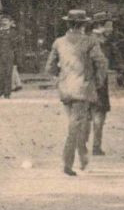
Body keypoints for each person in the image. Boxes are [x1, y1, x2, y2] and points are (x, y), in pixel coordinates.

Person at [44, 9, 108, 176]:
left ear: (68, 24)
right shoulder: (90, 41)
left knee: (76, 122)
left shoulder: (58, 42)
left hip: (66, 89)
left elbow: (49, 67)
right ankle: (67, 161)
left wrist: (59, 80)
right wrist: (99, 81)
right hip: (83, 87)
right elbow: (101, 63)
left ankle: (84, 158)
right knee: (75, 125)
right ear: (83, 24)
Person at [89, 16, 113, 156]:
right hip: (98, 82)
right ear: (100, 25)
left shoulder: (86, 39)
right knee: (99, 114)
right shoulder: (98, 43)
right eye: (109, 25)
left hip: (85, 82)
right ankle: (96, 145)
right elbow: (103, 64)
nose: (111, 29)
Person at [0, 14, 18, 98]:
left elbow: (16, 45)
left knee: (8, 74)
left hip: (9, 55)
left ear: (10, 22)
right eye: (3, 21)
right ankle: (1, 90)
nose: (4, 22)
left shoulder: (13, 32)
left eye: (6, 21)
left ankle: (7, 92)